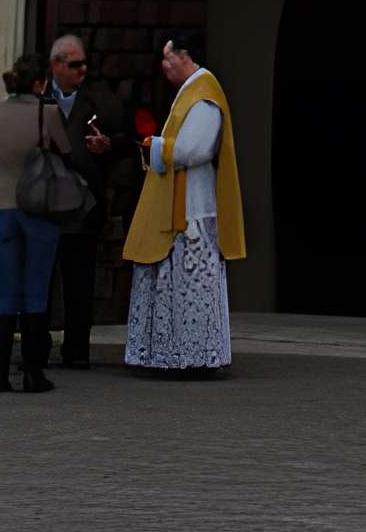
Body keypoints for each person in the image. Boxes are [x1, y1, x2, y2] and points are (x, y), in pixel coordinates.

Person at [121, 30, 243, 379]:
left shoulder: (205, 95)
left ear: (185, 56)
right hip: (182, 205)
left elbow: (196, 149)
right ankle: (170, 354)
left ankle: (194, 355)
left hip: (194, 210)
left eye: (167, 56)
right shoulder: (190, 92)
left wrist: (155, 147)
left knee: (191, 288)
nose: (163, 64)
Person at [0, 52, 76, 395]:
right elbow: (65, 151)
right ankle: (33, 372)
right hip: (37, 207)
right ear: (40, 83)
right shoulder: (47, 111)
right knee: (36, 290)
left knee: (7, 289)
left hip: (3, 207)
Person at [42, 31, 131, 368]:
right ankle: (37, 343)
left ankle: (77, 350)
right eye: (75, 65)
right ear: (57, 65)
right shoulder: (38, 97)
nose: (82, 71)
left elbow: (125, 138)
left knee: (80, 280)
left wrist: (107, 145)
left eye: (84, 65)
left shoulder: (99, 97)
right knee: (42, 277)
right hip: (45, 204)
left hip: (83, 205)